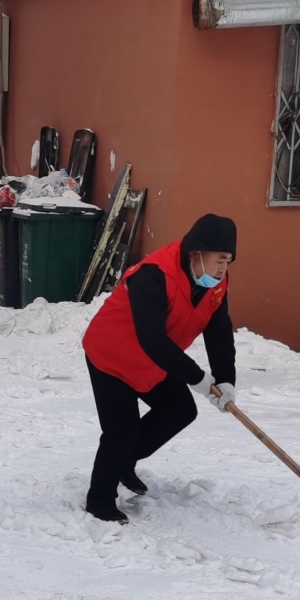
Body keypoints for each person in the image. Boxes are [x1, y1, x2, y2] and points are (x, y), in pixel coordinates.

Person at [78, 214, 238, 523]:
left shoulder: (214, 282)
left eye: (229, 262)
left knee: (179, 411)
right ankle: (99, 501)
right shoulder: (153, 274)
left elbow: (218, 330)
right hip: (112, 356)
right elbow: (151, 338)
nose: (223, 269)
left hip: (153, 361)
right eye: (220, 260)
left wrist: (226, 379)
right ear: (196, 253)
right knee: (120, 431)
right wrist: (199, 379)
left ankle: (125, 463)